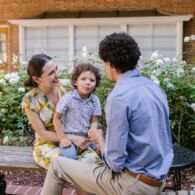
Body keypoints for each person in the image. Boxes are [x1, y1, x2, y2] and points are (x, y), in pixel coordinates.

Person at [41, 32, 173, 195]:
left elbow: (115, 163)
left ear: (109, 63)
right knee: (86, 169)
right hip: (158, 180)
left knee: (57, 166)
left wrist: (99, 139)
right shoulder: (155, 89)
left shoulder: (119, 97)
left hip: (131, 185)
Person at [21, 54, 67, 169]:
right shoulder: (30, 100)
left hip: (74, 139)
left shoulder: (68, 88)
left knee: (92, 160)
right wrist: (69, 138)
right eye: (51, 73)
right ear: (37, 79)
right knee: (64, 164)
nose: (57, 75)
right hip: (47, 145)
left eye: (56, 69)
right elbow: (43, 134)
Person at [53, 63, 102, 160]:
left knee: (103, 152)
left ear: (96, 84)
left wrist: (93, 129)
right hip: (69, 138)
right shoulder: (68, 98)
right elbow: (56, 119)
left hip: (87, 139)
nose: (88, 82)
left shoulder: (95, 100)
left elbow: (95, 120)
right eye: (83, 79)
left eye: (92, 80)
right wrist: (62, 138)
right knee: (70, 157)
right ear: (75, 82)